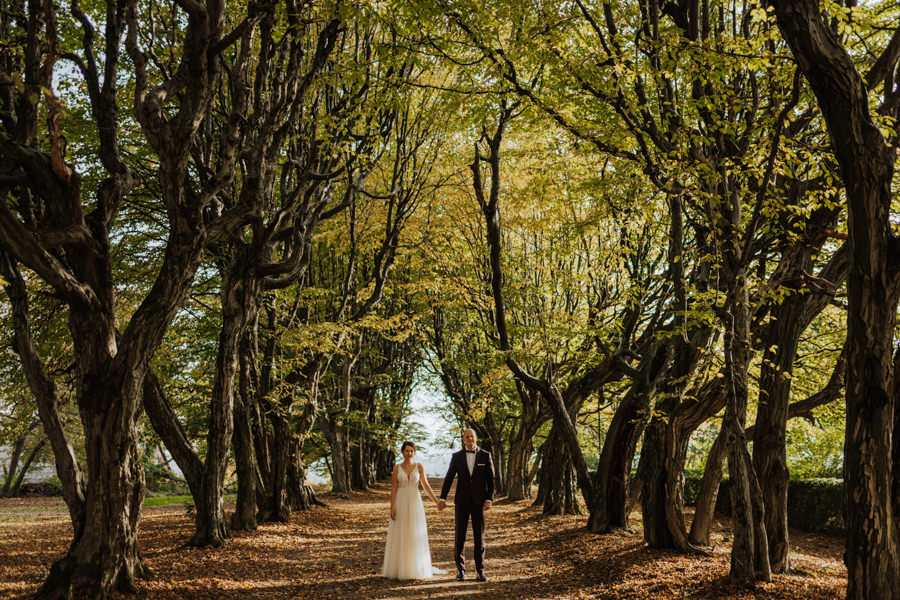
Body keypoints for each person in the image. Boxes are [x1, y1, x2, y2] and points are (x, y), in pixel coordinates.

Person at [438, 428, 495, 582]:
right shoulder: (456, 456)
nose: (470, 439)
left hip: (479, 503)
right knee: (459, 537)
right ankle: (460, 570)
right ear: (463, 439)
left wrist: (489, 499)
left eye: (472, 436)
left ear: (476, 438)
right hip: (462, 501)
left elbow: (491, 479)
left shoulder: (486, 455)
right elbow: (449, 477)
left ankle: (480, 570)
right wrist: (442, 498)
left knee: (479, 537)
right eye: (467, 437)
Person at [382, 441, 441, 579]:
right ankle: (399, 568)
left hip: (415, 501)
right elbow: (394, 489)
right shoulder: (397, 468)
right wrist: (392, 508)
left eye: (411, 451)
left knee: (414, 532)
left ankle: (415, 567)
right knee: (401, 532)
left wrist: (437, 501)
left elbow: (425, 485)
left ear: (414, 452)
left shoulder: (419, 466)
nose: (409, 454)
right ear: (402, 452)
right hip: (401, 501)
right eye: (406, 451)